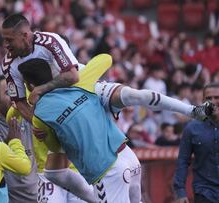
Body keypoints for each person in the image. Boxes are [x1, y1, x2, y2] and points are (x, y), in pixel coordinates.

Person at [18, 58, 213, 202]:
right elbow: (106, 58)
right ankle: (192, 110)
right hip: (129, 158)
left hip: (109, 173)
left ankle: (94, 197)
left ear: (29, 85)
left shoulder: (40, 113)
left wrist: (46, 127)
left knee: (54, 168)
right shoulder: (79, 79)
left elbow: (54, 146)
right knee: (134, 95)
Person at [1, 13, 80, 121]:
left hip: (79, 86)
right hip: (45, 102)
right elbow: (20, 102)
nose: (5, 45)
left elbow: (73, 76)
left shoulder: (50, 41)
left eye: (9, 40)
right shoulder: (8, 64)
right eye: (4, 40)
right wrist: (38, 124)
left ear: (24, 36)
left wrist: (40, 89)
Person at [0, 75, 38, 203]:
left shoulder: (27, 116)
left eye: (14, 92)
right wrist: (9, 141)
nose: (13, 98)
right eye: (7, 93)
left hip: (39, 196)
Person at [173, 83, 219, 203]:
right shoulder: (192, 128)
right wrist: (180, 192)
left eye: (217, 97)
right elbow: (183, 160)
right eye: (209, 98)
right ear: (203, 101)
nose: (213, 101)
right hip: (204, 192)